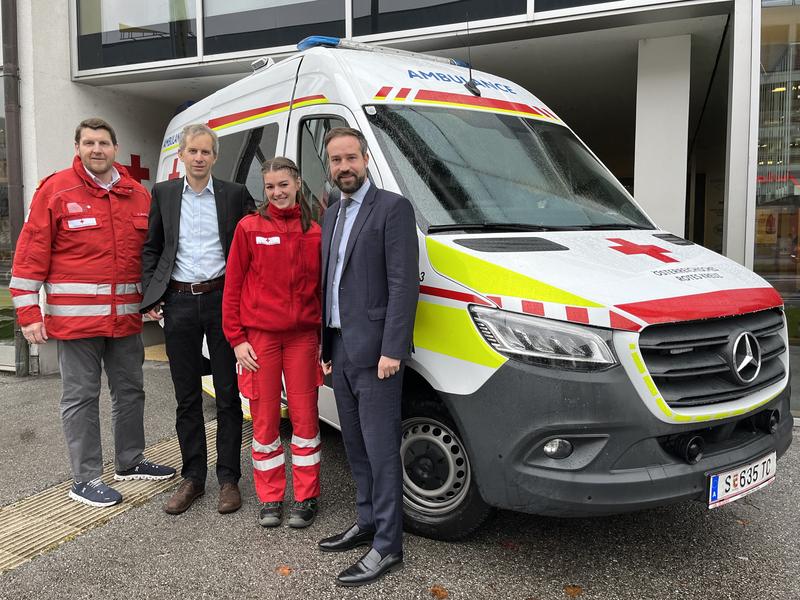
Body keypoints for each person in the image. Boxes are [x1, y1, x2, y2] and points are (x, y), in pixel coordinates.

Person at [9, 117, 176, 508]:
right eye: (89, 143)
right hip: (77, 323)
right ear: (78, 147)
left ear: (115, 148)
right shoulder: (56, 190)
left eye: (103, 142)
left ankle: (130, 462)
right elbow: (31, 252)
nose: (96, 149)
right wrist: (29, 313)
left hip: (125, 321)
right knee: (81, 398)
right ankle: (84, 479)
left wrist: (152, 301)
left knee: (130, 392)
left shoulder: (137, 193)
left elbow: (149, 257)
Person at [317, 128, 419, 586]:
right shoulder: (332, 214)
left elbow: (403, 285)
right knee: (355, 446)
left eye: (350, 158)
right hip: (339, 349)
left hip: (378, 355)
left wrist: (392, 349)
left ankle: (388, 545)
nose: (344, 167)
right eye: (336, 160)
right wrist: (325, 347)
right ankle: (367, 522)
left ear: (365, 160)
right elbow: (330, 285)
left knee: (380, 452)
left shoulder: (392, 209)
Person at [141, 124, 255, 515]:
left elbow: (254, 244)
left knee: (227, 394)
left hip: (223, 300)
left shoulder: (235, 194)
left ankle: (228, 480)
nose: (200, 158)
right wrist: (151, 296)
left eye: (206, 152)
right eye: (193, 151)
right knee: (186, 395)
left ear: (215, 156)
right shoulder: (165, 193)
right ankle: (193, 478)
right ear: (182, 156)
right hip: (179, 302)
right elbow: (152, 248)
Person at [223, 157, 323, 528]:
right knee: (264, 422)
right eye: (270, 187)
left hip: (302, 338)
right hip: (259, 339)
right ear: (263, 190)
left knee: (305, 419)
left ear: (297, 183)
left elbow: (325, 291)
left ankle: (307, 495)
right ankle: (270, 497)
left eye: (283, 184)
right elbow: (232, 287)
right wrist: (236, 339)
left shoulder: (315, 231)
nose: (277, 192)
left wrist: (324, 342)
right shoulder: (249, 228)